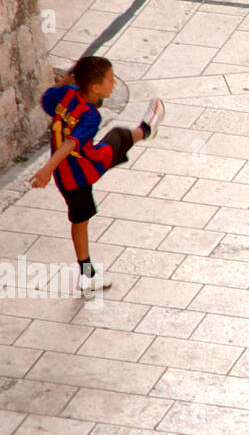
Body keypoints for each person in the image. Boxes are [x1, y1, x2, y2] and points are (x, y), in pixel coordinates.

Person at [30, 56, 164, 297]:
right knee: (119, 138)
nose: (113, 84)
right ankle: (88, 275)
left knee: (79, 220)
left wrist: (71, 76)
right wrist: (46, 169)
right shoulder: (91, 115)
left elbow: (47, 99)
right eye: (110, 80)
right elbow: (71, 143)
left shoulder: (67, 94)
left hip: (65, 174)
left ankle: (88, 272)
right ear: (95, 88)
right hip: (86, 169)